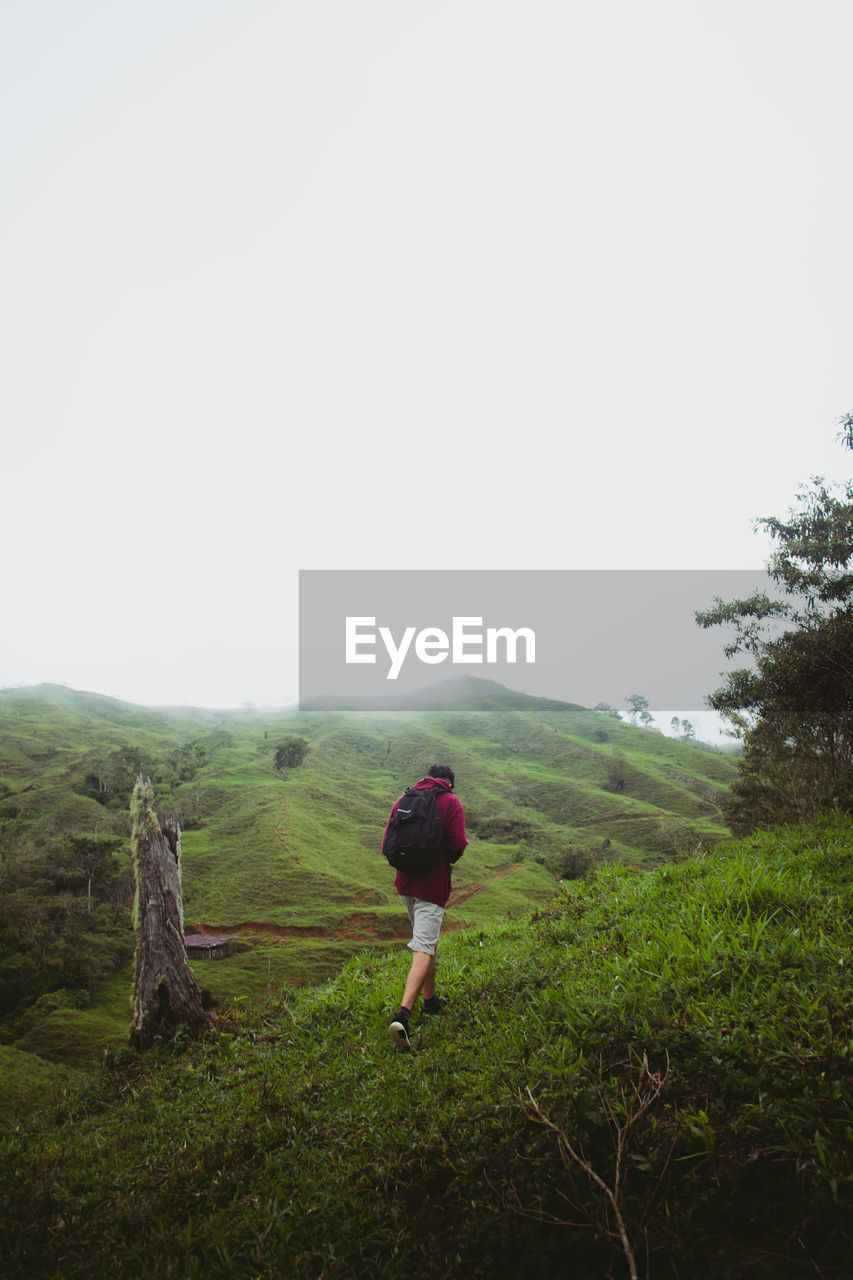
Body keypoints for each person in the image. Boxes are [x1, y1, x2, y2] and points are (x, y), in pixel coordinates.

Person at [383, 763, 468, 1050]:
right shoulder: (451, 801)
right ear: (450, 783)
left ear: (427, 778)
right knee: (423, 945)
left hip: (405, 884)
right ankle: (403, 1015)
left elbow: (387, 845)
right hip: (432, 887)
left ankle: (430, 1001)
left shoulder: (403, 799)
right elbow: (457, 845)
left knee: (427, 943)